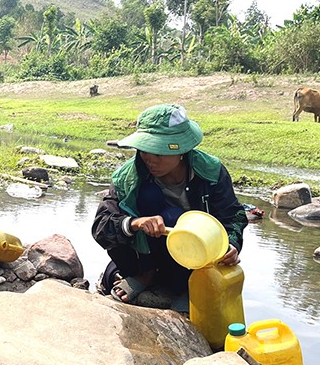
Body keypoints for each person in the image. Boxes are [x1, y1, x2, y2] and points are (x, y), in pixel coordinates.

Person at [92, 103, 247, 311]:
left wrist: (232, 244)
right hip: (146, 254)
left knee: (177, 218)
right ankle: (144, 275)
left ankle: (186, 287)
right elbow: (101, 227)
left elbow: (234, 215)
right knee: (148, 199)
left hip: (195, 258)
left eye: (159, 152)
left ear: (181, 150)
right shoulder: (127, 177)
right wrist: (135, 223)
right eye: (145, 150)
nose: (150, 160)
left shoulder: (211, 172)